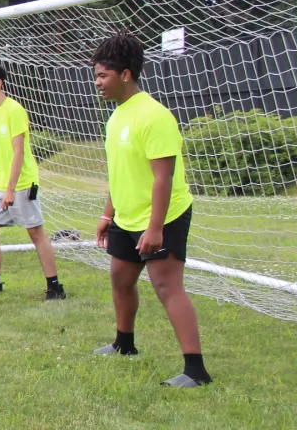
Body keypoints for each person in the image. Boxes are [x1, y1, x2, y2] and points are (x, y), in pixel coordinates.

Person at [90, 32, 211, 387]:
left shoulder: (155, 116)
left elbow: (164, 178)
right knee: (120, 279)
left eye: (103, 76)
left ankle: (196, 370)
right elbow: (118, 173)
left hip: (164, 216)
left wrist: (155, 228)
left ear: (126, 74)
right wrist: (107, 215)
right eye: (96, 76)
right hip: (126, 217)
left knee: (166, 285)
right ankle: (124, 344)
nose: (97, 83)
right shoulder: (115, 117)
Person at [0, 63, 66, 300]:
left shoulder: (15, 111)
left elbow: (18, 153)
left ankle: (55, 287)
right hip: (0, 184)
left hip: (21, 183)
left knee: (35, 233)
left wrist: (11, 189)